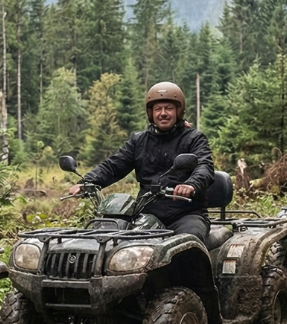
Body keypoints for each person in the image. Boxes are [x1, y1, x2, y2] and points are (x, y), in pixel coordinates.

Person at [69, 81, 215, 244]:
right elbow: (114, 165)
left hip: (186, 215)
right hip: (147, 216)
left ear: (178, 111)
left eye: (169, 108)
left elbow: (204, 166)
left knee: (188, 244)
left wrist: (191, 185)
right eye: (158, 109)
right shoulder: (139, 140)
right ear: (150, 112)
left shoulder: (194, 139)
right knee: (112, 243)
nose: (163, 113)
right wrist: (87, 182)